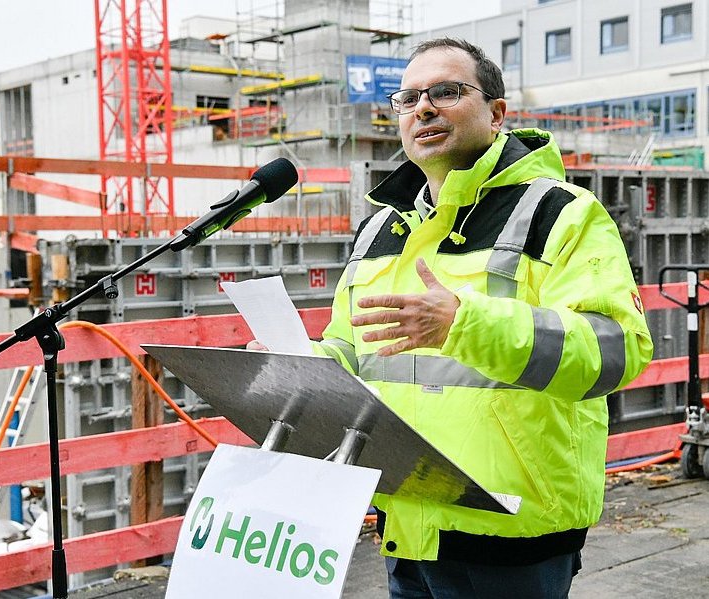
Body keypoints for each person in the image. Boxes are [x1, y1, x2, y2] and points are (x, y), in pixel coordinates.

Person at [252, 37, 652, 598]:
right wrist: (299, 364)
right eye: (408, 97)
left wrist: (465, 323)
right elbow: (353, 348)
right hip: (406, 522)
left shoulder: (562, 213)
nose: (423, 107)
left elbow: (615, 351)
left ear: (496, 112)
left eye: (446, 91)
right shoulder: (379, 230)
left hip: (511, 532)